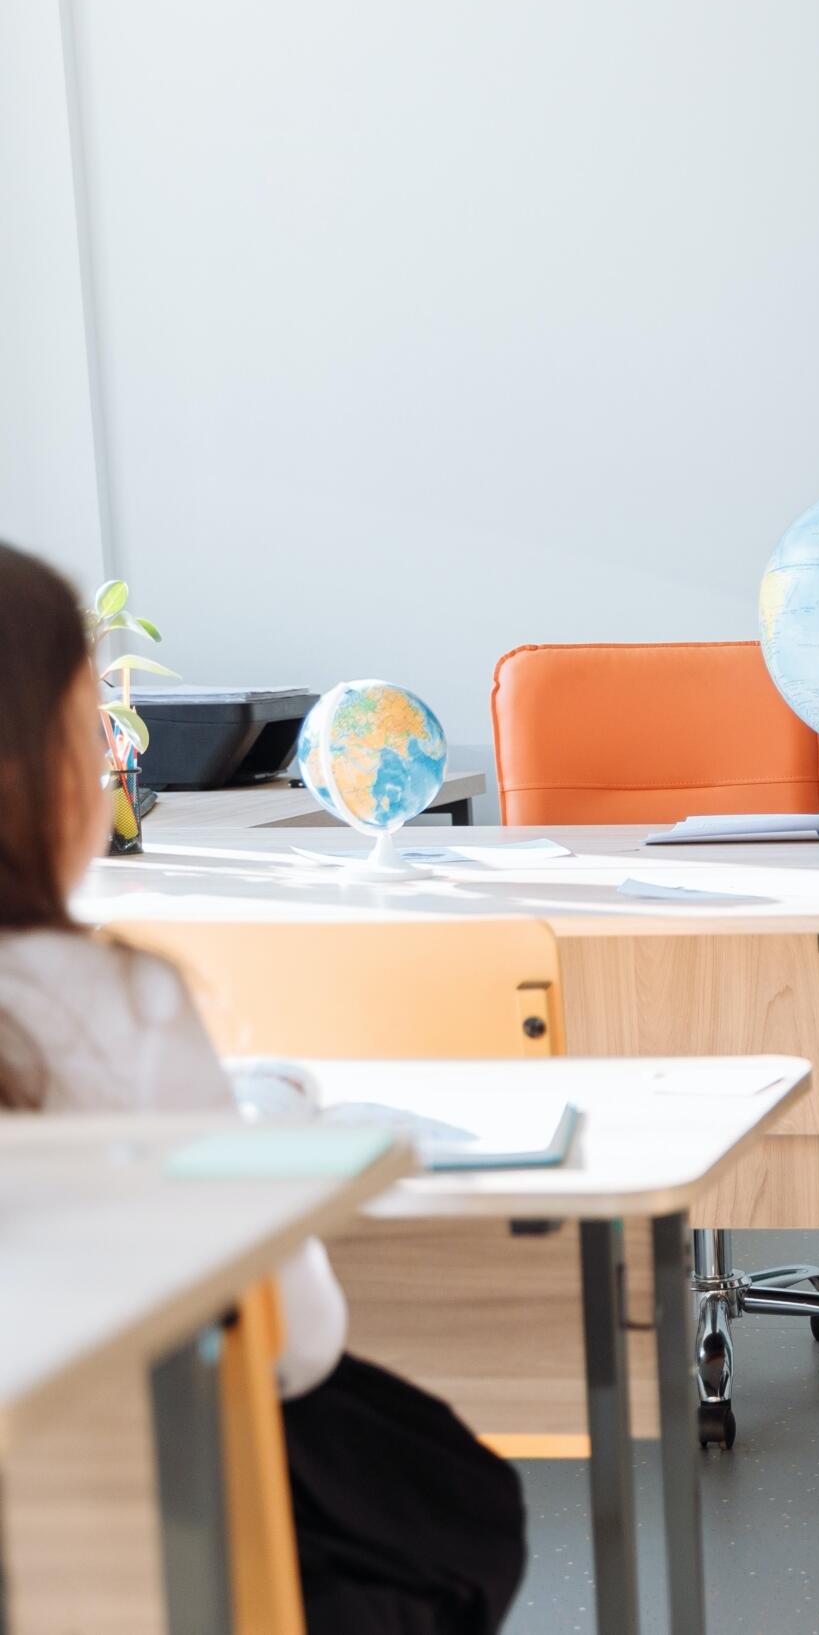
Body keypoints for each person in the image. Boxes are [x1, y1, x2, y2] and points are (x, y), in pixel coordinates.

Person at [0, 540, 526, 1634]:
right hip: (133, 1525)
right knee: (447, 1500)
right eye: (86, 719)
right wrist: (263, 1130)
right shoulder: (111, 1002)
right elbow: (289, 1343)